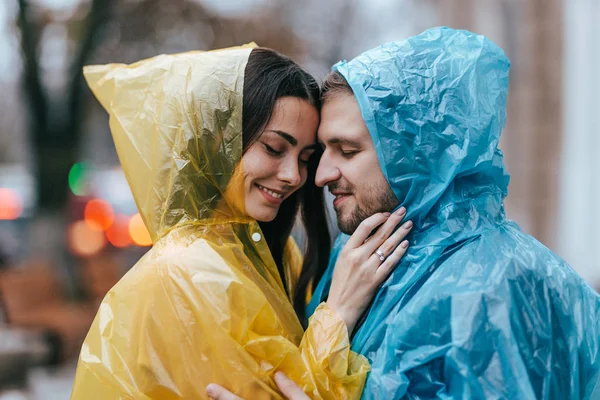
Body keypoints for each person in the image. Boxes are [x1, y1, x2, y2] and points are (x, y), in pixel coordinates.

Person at [70, 44, 412, 399]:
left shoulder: (267, 252)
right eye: (274, 148)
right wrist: (338, 313)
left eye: (306, 157)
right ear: (219, 140)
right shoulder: (185, 273)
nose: (294, 176)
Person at [302, 27, 600, 399]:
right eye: (322, 151)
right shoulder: (360, 260)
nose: (321, 175)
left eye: (347, 151)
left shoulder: (491, 287)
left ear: (416, 153)